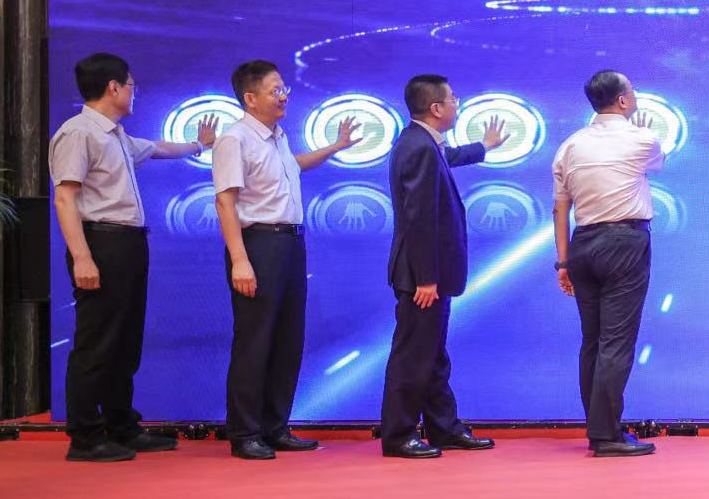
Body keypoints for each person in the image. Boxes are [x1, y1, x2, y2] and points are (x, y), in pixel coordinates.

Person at [48, 52, 218, 462]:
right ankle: (85, 436)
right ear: (113, 88)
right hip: (101, 243)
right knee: (97, 342)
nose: (132, 92)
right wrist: (82, 257)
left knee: (125, 342)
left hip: (127, 243)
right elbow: (65, 197)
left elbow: (156, 148)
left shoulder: (116, 135)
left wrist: (199, 144)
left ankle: (121, 426)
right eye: (130, 85)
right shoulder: (78, 133)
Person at [212, 60, 359, 460]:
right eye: (275, 90)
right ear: (250, 98)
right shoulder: (234, 139)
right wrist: (240, 260)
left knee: (287, 340)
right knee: (255, 341)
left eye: (284, 89)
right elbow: (225, 201)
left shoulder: (276, 137)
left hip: (291, 243)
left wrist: (336, 147)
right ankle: (245, 433)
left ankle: (275, 427)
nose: (283, 97)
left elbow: (295, 164)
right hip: (258, 244)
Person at [380, 74, 508, 459]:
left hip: (429, 274)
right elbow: (419, 219)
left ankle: (444, 428)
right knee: (413, 356)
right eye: (453, 98)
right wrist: (426, 277)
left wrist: (484, 147)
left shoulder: (423, 142)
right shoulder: (419, 147)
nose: (457, 102)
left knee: (432, 355)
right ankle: (399, 434)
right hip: (422, 277)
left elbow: (447, 158)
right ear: (436, 108)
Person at [551, 70, 666, 457]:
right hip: (624, 242)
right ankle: (606, 436)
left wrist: (562, 262)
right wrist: (641, 130)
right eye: (632, 90)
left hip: (581, 245)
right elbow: (658, 163)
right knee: (616, 341)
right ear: (622, 101)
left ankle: (598, 428)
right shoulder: (641, 138)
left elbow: (560, 208)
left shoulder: (570, 145)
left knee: (593, 341)